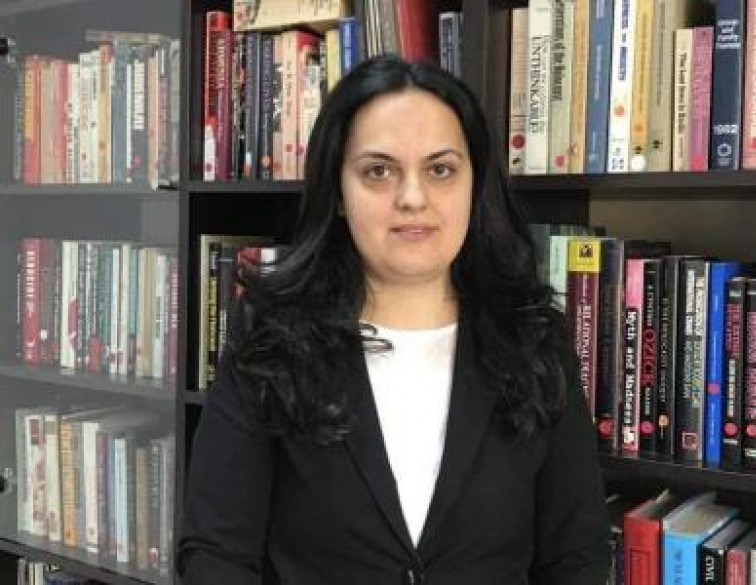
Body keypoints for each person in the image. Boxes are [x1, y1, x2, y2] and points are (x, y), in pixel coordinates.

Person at [177, 54, 610, 585]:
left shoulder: (535, 339)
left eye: (440, 169)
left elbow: (577, 555)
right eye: (378, 171)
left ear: (475, 186)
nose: (412, 198)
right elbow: (217, 554)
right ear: (339, 192)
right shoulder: (271, 339)